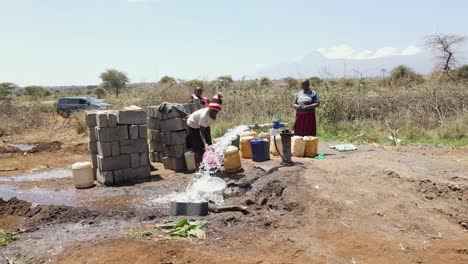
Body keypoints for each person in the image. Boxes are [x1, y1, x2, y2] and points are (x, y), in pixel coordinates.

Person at [186, 100, 222, 166]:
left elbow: (207, 127)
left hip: (203, 125)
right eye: (213, 111)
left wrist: (209, 140)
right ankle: (199, 166)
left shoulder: (213, 114)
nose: (215, 113)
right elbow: (201, 132)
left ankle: (211, 162)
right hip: (193, 125)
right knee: (199, 147)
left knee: (210, 144)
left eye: (216, 112)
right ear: (210, 109)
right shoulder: (204, 116)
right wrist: (205, 143)